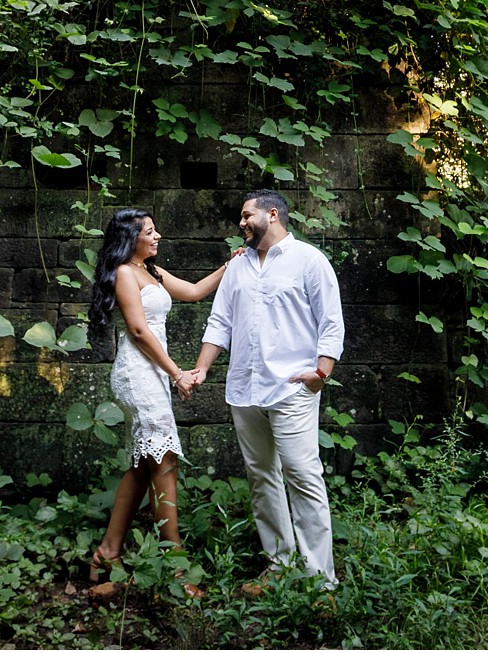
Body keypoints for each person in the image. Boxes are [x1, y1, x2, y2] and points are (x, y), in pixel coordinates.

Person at [188, 188, 345, 590]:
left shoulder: (309, 260)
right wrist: (203, 368)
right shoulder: (237, 267)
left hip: (292, 388)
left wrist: (321, 373)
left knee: (303, 475)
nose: (240, 223)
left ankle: (320, 581)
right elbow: (219, 321)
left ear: (272, 214)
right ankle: (280, 567)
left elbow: (331, 321)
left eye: (246, 216)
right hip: (244, 389)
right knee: (262, 478)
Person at [88, 207, 229, 586]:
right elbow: (137, 329)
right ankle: (176, 566)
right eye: (149, 231)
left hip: (154, 373)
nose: (157, 236)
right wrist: (177, 373)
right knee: (165, 463)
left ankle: (108, 551)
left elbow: (197, 291)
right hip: (138, 375)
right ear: (130, 238)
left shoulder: (152, 272)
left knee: (144, 464)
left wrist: (233, 264)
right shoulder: (123, 274)